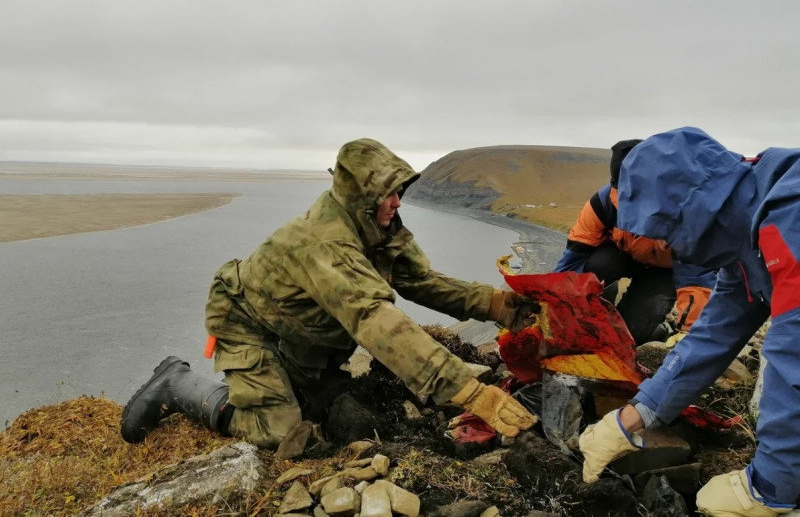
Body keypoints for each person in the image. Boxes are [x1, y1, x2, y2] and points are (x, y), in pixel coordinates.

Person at [121, 138, 538, 449]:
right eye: (387, 193)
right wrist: (468, 391)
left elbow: (422, 282)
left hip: (298, 332)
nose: (397, 201)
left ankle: (285, 378)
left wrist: (499, 305)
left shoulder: (378, 230)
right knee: (280, 430)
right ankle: (178, 384)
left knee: (324, 408)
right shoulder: (327, 244)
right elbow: (374, 320)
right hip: (249, 325)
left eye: (400, 191)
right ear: (362, 198)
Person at [578, 127, 800, 516]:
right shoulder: (742, 234)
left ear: (690, 215)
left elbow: (794, 355)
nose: (672, 253)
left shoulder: (789, 217)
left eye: (667, 236)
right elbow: (712, 336)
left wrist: (767, 489)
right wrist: (632, 417)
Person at [554, 139, 717, 345]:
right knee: (595, 266)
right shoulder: (602, 203)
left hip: (666, 271)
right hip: (621, 256)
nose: (629, 198)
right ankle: (603, 296)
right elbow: (574, 256)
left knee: (626, 339)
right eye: (624, 190)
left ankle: (656, 330)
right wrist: (550, 301)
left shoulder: (685, 212)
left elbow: (696, 278)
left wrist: (689, 330)